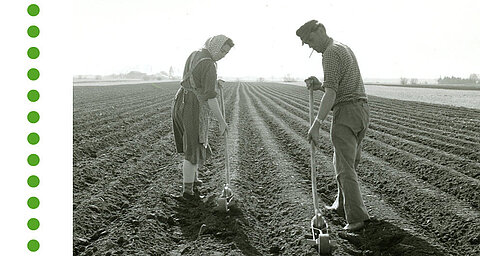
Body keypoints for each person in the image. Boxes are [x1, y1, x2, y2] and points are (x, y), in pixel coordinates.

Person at [296, 20, 370, 231]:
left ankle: (356, 218)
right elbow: (336, 86)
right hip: (361, 110)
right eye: (307, 43)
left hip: (346, 112)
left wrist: (317, 124)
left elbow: (332, 93)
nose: (311, 45)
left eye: (310, 40)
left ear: (321, 30)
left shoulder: (329, 53)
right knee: (348, 162)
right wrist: (320, 86)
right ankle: (340, 204)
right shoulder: (342, 47)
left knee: (344, 168)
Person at [172, 35, 234, 199]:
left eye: (226, 53)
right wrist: (222, 122)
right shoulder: (209, 64)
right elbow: (210, 98)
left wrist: (214, 82)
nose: (222, 55)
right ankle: (188, 191)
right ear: (214, 46)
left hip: (181, 101)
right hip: (192, 106)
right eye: (222, 50)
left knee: (194, 142)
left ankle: (194, 179)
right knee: (193, 147)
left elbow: (194, 79)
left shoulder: (196, 54)